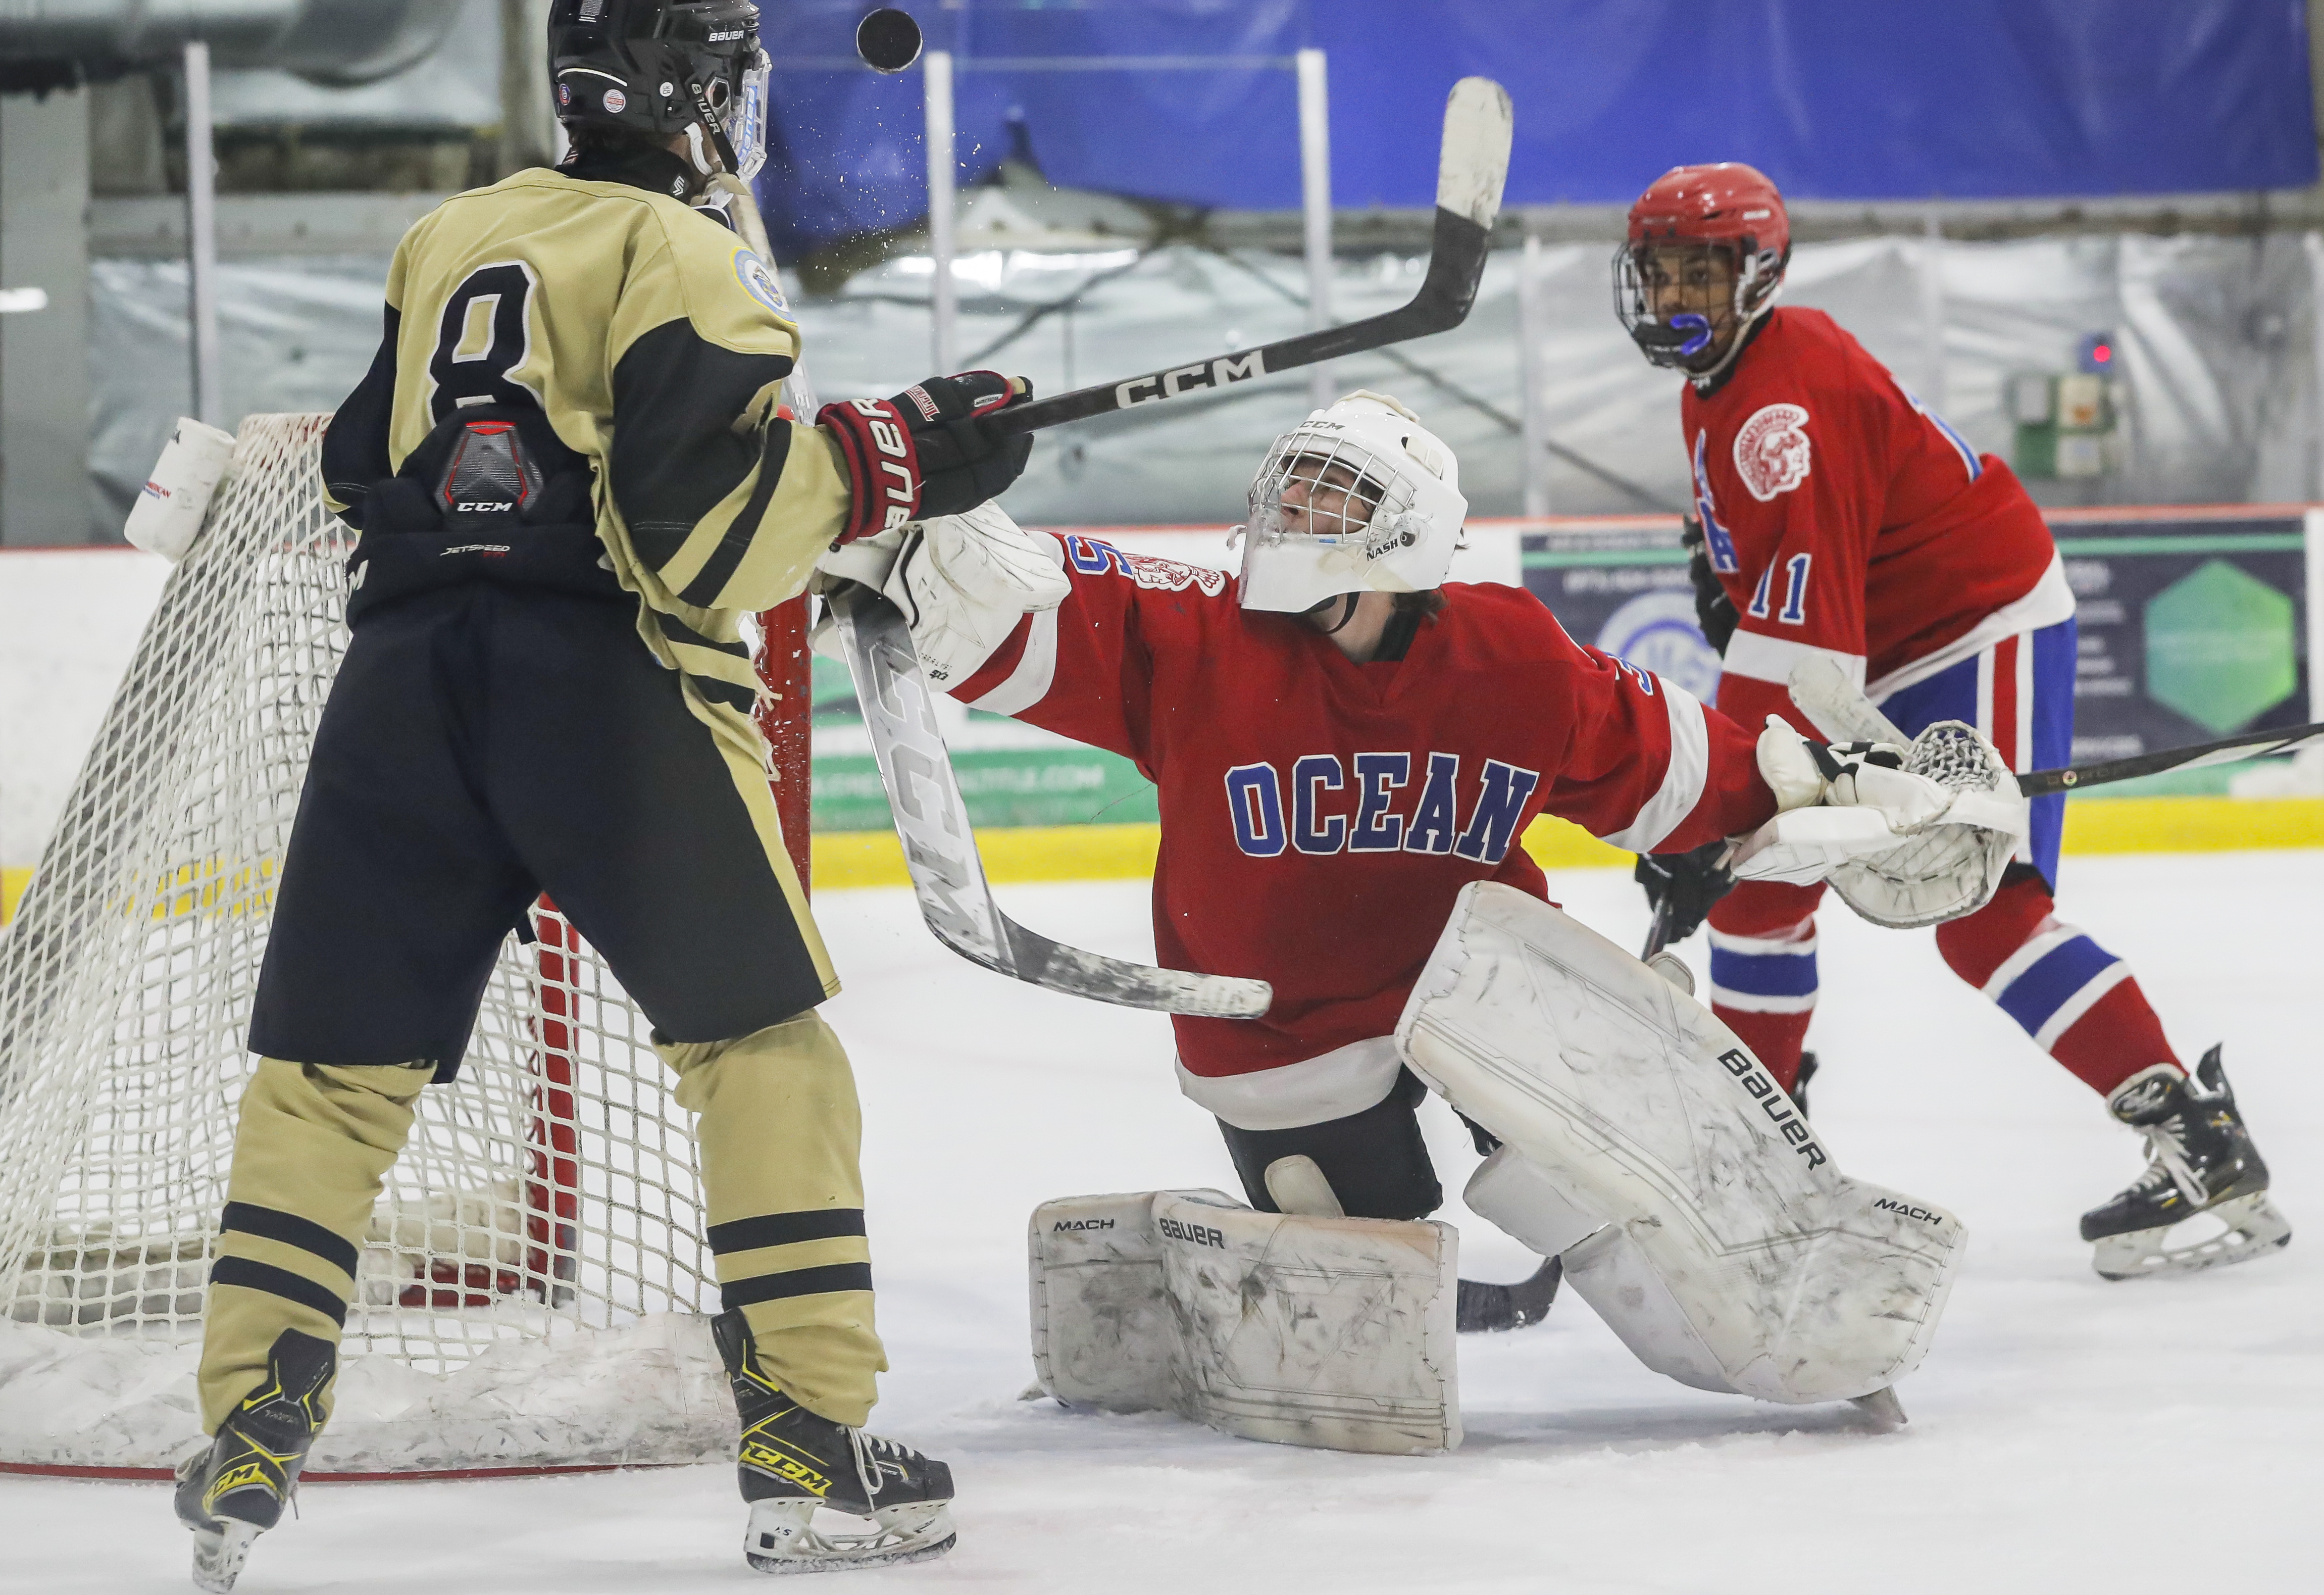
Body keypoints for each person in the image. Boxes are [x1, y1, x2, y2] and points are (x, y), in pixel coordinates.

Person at [175, 2, 1031, 1583]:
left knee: (329, 1075)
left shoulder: (452, 233)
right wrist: (897, 456)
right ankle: (810, 1445)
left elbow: (368, 460)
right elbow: (699, 538)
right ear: (709, 96)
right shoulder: (689, 255)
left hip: (404, 684)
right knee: (762, 1053)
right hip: (604, 695)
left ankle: (248, 1421)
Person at [822, 389, 1963, 1328]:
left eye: (1335, 497)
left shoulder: (1512, 655)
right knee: (1361, 1284)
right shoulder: (1200, 635)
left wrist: (1838, 784)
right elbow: (1021, 601)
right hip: (1282, 1019)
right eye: (1292, 489)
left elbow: (1681, 767)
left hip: (1487, 994)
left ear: (1405, 529)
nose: (1298, 515)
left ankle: (1783, 1310)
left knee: (1647, 1220)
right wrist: (878, 511)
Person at [1612, 161, 2289, 1281]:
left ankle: (2196, 1140)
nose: (1679, 296)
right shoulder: (1723, 380)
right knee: (1762, 887)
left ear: (1756, 274)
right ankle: (1763, 1156)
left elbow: (1799, 661)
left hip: (1978, 623)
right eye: (1662, 273)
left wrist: (1708, 801)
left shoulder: (1785, 405)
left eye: (1703, 273)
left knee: (1985, 912)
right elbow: (1794, 609)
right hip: (1877, 644)